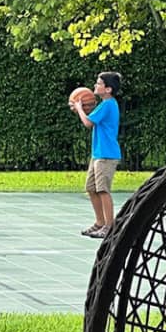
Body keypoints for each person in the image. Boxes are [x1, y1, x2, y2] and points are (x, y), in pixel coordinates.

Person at [70, 71, 122, 239]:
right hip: (98, 154)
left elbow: (87, 123)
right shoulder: (103, 104)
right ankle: (100, 223)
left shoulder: (108, 104)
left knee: (102, 190)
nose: (95, 86)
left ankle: (109, 226)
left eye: (98, 84)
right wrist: (82, 108)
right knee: (91, 188)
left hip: (106, 155)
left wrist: (79, 108)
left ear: (108, 89)